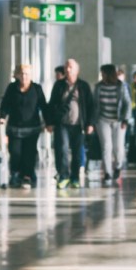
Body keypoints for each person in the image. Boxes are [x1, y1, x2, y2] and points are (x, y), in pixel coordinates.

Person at [47, 58, 94, 189]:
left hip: (79, 124)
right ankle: (63, 177)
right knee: (61, 149)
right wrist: (50, 122)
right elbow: (52, 104)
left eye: (70, 67)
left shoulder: (83, 86)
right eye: (66, 67)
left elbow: (90, 106)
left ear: (77, 70)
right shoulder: (59, 85)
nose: (67, 69)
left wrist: (90, 123)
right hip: (62, 124)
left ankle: (74, 177)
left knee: (78, 152)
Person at [0, 64, 47, 189]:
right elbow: (5, 104)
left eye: (27, 74)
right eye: (22, 74)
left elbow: (43, 106)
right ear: (17, 75)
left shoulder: (37, 88)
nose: (24, 76)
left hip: (32, 128)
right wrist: (2, 116)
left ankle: (27, 176)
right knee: (15, 152)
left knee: (29, 153)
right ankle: (15, 174)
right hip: (15, 127)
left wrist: (48, 122)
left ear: (31, 75)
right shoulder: (12, 88)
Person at [92, 64, 132, 185]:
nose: (102, 75)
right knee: (106, 146)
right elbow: (94, 104)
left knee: (118, 147)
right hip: (102, 120)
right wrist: (93, 121)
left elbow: (127, 103)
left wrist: (125, 120)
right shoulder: (98, 87)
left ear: (109, 74)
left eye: (103, 73)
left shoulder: (121, 86)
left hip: (118, 120)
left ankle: (118, 166)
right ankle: (108, 173)